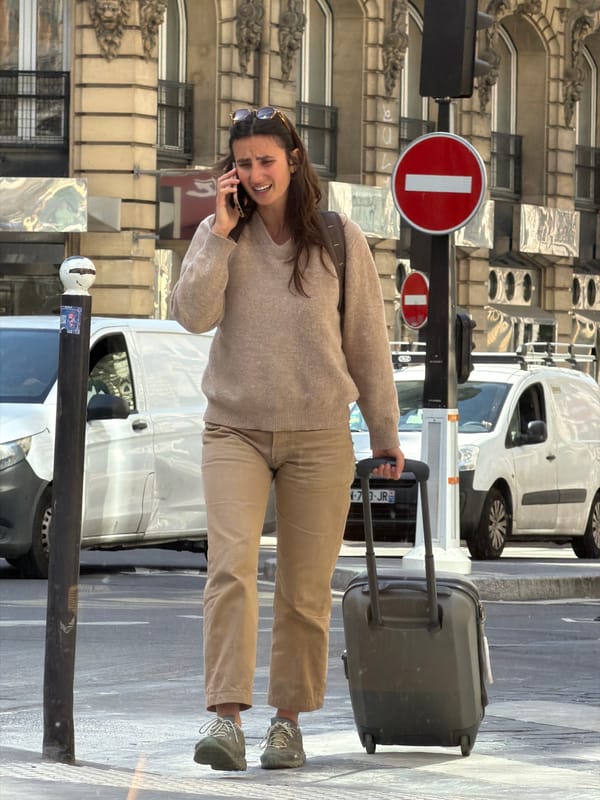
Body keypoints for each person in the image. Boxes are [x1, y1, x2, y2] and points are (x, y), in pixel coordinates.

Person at [170, 106, 404, 772]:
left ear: (294, 160)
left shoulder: (336, 237)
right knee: (230, 569)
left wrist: (385, 433)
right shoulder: (222, 233)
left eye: (266, 161)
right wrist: (217, 231)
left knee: (305, 589)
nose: (254, 174)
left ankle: (286, 724)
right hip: (234, 429)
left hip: (320, 435)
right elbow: (191, 315)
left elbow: (366, 343)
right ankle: (225, 721)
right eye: (243, 163)